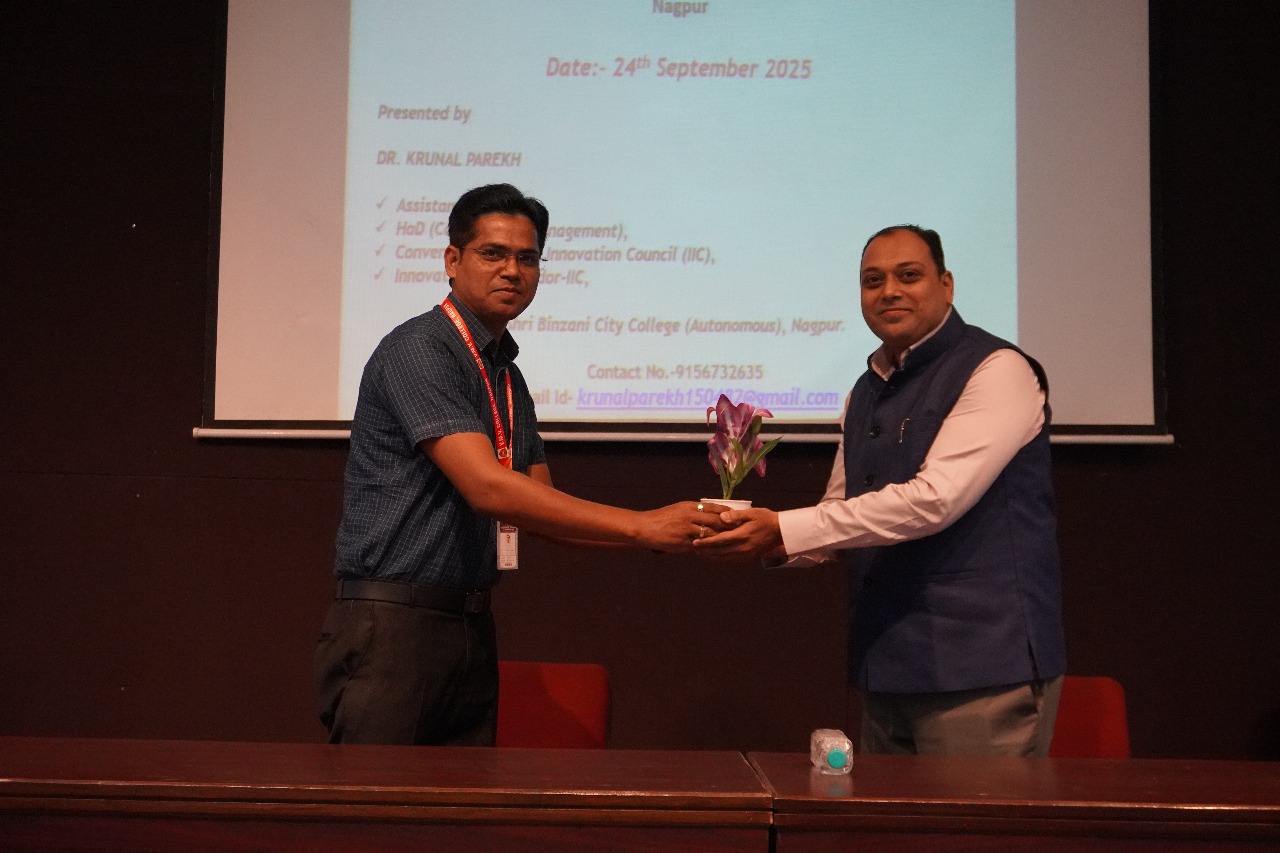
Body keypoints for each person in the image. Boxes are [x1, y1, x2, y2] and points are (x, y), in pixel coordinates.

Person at [315, 183, 725, 746]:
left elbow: (543, 510)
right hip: (393, 626)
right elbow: (487, 488)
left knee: (466, 804)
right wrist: (641, 525)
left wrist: (665, 533)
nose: (512, 270)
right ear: (452, 261)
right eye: (493, 254)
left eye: (527, 259)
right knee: (380, 803)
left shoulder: (506, 376)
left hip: (470, 627)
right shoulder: (420, 349)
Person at [695, 225, 1066, 756]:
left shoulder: (997, 368)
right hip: (888, 662)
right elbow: (840, 512)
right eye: (873, 280)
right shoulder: (865, 389)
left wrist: (783, 528)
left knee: (971, 816)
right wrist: (763, 542)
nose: (889, 291)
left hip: (981, 663)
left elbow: (934, 501)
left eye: (908, 276)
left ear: (947, 284)